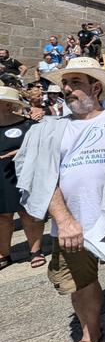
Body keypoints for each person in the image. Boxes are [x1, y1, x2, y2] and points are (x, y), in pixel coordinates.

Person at [17, 56, 105, 342]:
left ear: (96, 87)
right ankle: (90, 338)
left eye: (76, 83)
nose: (67, 89)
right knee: (80, 284)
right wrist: (64, 220)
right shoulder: (50, 129)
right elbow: (41, 177)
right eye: (65, 83)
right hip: (70, 226)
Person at [0, 86, 44, 270]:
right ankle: (4, 254)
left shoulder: (28, 125)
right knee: (2, 216)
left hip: (24, 173)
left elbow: (42, 146)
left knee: (28, 213)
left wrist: (18, 152)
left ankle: (35, 251)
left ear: (8, 104)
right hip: (1, 176)